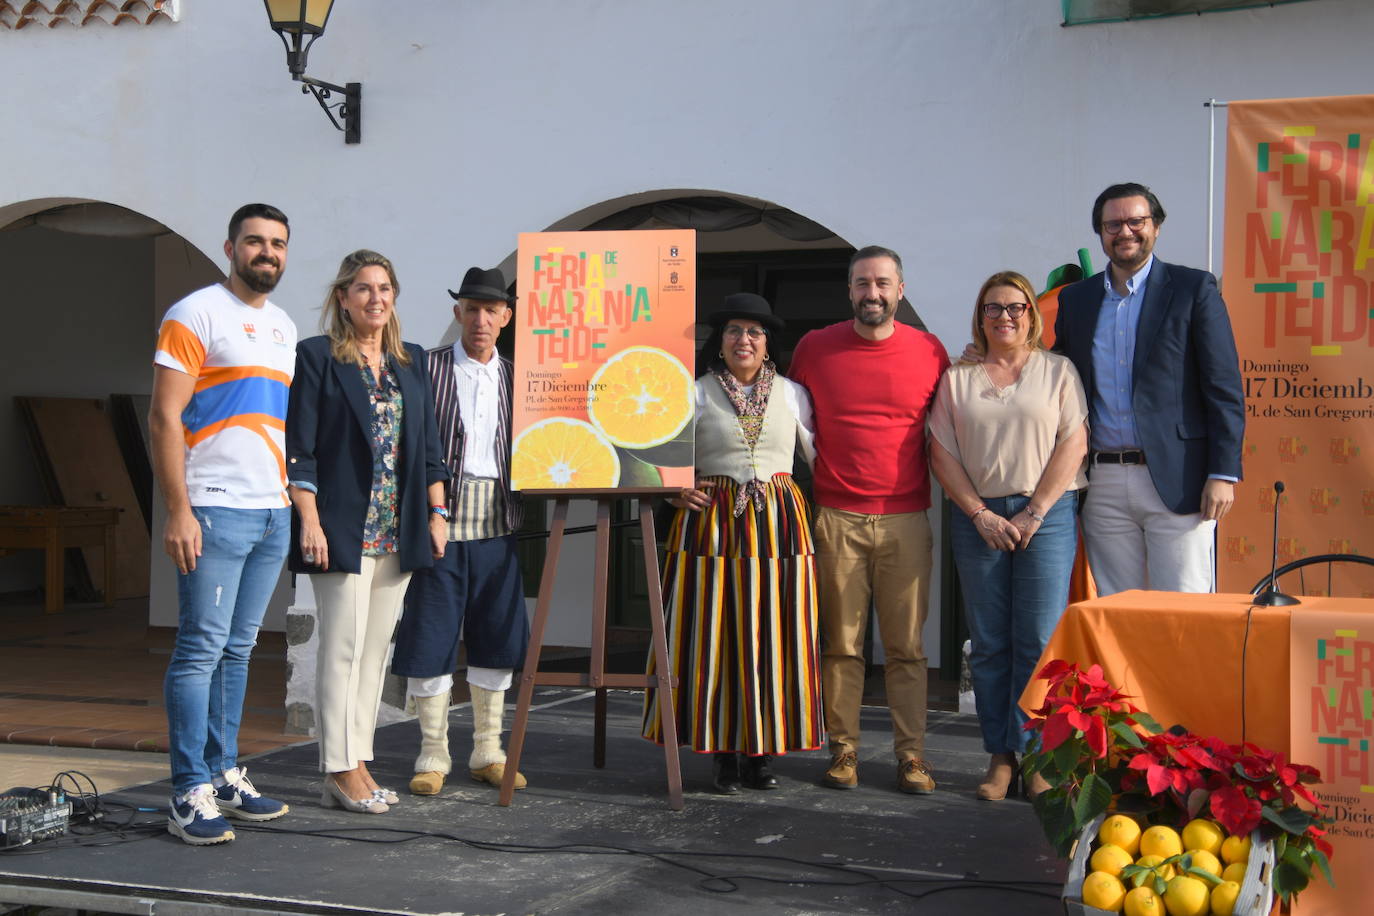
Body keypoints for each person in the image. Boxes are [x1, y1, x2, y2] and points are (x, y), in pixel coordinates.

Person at [151, 203, 295, 845]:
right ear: (231, 247)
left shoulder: (285, 326)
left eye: (278, 244)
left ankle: (223, 774)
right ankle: (187, 790)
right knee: (200, 650)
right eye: (256, 242)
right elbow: (163, 418)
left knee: (238, 650)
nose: (268, 253)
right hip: (211, 507)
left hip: (271, 511)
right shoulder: (193, 313)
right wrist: (178, 510)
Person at [285, 250, 449, 814]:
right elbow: (300, 449)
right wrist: (308, 520)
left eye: (384, 288)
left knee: (375, 651)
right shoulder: (318, 358)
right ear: (343, 298)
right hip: (340, 528)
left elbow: (428, 450)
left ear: (394, 297)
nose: (374, 298)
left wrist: (437, 513)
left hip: (397, 529)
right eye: (362, 289)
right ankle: (337, 766)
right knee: (342, 648)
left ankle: (359, 758)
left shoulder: (412, 363)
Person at [642, 293, 821, 794]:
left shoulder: (792, 394)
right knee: (714, 633)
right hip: (712, 523)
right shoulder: (693, 392)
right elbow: (655, 457)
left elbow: (823, 456)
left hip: (779, 523)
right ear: (719, 344)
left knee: (773, 633)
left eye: (755, 333)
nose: (745, 340)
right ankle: (721, 751)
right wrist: (673, 490)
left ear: (767, 345)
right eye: (735, 331)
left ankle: (761, 752)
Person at [788, 245, 950, 795]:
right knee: (841, 645)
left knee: (907, 648)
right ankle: (844, 750)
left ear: (900, 290)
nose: (872, 293)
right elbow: (788, 423)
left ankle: (912, 757)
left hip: (906, 517)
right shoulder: (814, 348)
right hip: (836, 517)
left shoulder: (931, 351)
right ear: (849, 290)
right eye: (862, 284)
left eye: (882, 283)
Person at [928, 271, 1088, 801]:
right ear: (980, 316)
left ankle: (1038, 754)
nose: (1005, 317)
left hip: (1047, 514)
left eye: (1015, 307)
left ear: (1031, 314)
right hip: (980, 519)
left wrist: (1035, 512)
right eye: (993, 308)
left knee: (1039, 641)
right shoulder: (957, 378)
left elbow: (1074, 442)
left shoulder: (1058, 370)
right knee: (992, 642)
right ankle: (1000, 756)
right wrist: (979, 514)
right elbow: (942, 452)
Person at [1054, 183, 1245, 595]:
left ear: (1156, 226)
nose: (1125, 232)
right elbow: (1055, 373)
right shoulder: (1077, 300)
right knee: (1118, 610)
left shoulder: (1193, 289)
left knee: (1183, 608)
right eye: (1113, 224)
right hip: (1101, 481)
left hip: (1179, 480)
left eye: (1136, 221)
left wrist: (1223, 472)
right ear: (1100, 233)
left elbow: (1223, 385)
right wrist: (991, 356)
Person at [391, 266, 529, 796]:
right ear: (457, 312)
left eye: (491, 310)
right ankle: (432, 753)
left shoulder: (521, 377)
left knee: (497, 634)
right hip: (438, 517)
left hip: (499, 519)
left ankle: (488, 750)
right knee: (431, 633)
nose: (480, 319)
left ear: (506, 318)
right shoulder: (424, 368)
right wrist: (430, 510)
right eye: (471, 308)